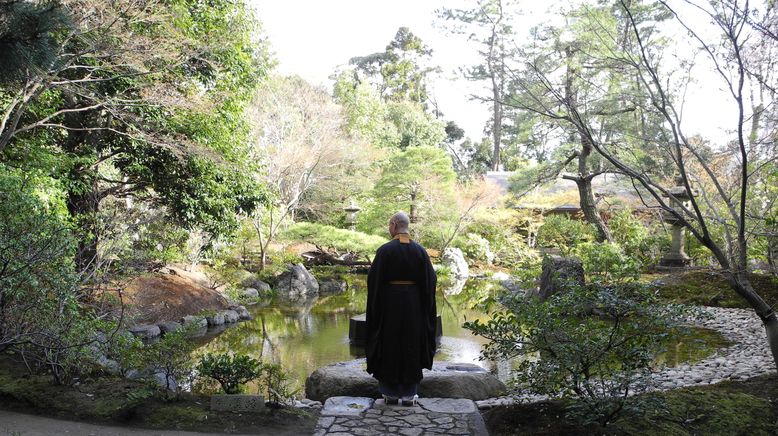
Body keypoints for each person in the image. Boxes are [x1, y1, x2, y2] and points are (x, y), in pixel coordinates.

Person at [365, 211, 437, 406]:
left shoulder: (385, 250)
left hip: (389, 307)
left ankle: (390, 394)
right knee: (411, 344)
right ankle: (408, 394)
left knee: (389, 344)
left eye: (389, 225)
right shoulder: (420, 251)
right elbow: (430, 282)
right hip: (414, 307)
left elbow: (374, 282)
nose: (389, 229)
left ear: (395, 225)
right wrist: (422, 304)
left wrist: (376, 307)